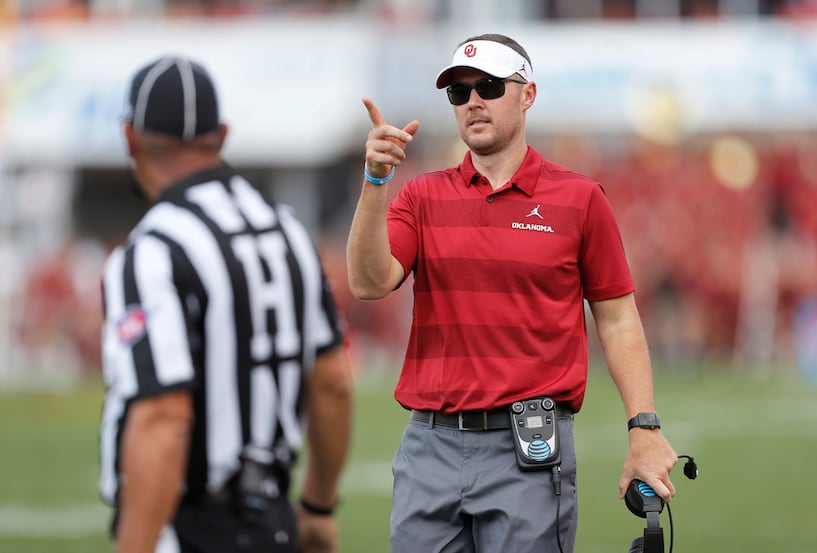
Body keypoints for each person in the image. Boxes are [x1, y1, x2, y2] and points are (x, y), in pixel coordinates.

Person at [346, 33, 678, 552]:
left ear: (528, 95)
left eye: (490, 86)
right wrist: (374, 179)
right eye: (459, 92)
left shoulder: (580, 198)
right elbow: (368, 282)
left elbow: (616, 317)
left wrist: (644, 427)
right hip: (429, 442)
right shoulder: (421, 195)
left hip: (530, 446)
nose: (473, 100)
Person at [98, 55, 352, 553]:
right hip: (274, 519)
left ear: (130, 137)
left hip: (195, 526)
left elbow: (163, 418)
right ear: (223, 135)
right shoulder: (287, 230)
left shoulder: (153, 249)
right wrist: (319, 509)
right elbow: (332, 384)